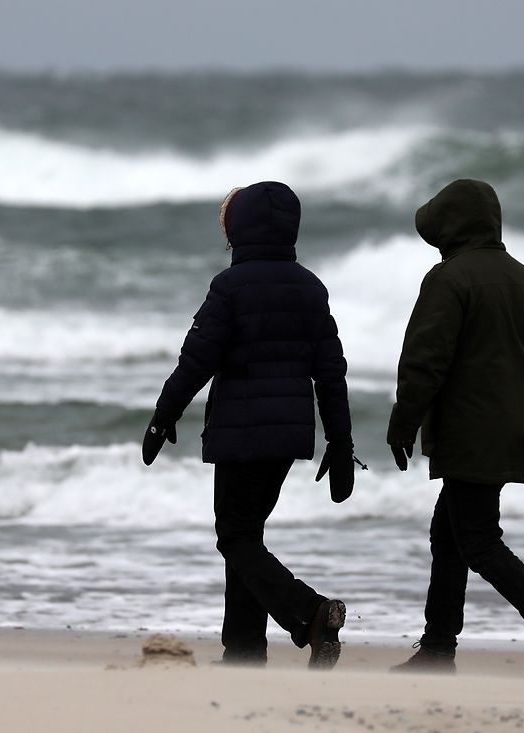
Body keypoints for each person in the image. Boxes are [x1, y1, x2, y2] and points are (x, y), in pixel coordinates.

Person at [386, 179, 524, 679]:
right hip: (509, 432)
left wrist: (404, 419)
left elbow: (426, 359)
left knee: (478, 539)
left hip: (467, 432)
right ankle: (438, 648)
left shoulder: (449, 279)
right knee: (449, 532)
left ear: (451, 227)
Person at [142, 181, 358, 669]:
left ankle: (311, 612)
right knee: (246, 537)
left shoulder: (230, 287)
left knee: (234, 536)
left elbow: (196, 359)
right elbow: (331, 370)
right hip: (287, 436)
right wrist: (340, 441)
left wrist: (163, 415)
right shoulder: (310, 287)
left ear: (240, 228)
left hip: (240, 433)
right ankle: (243, 651)